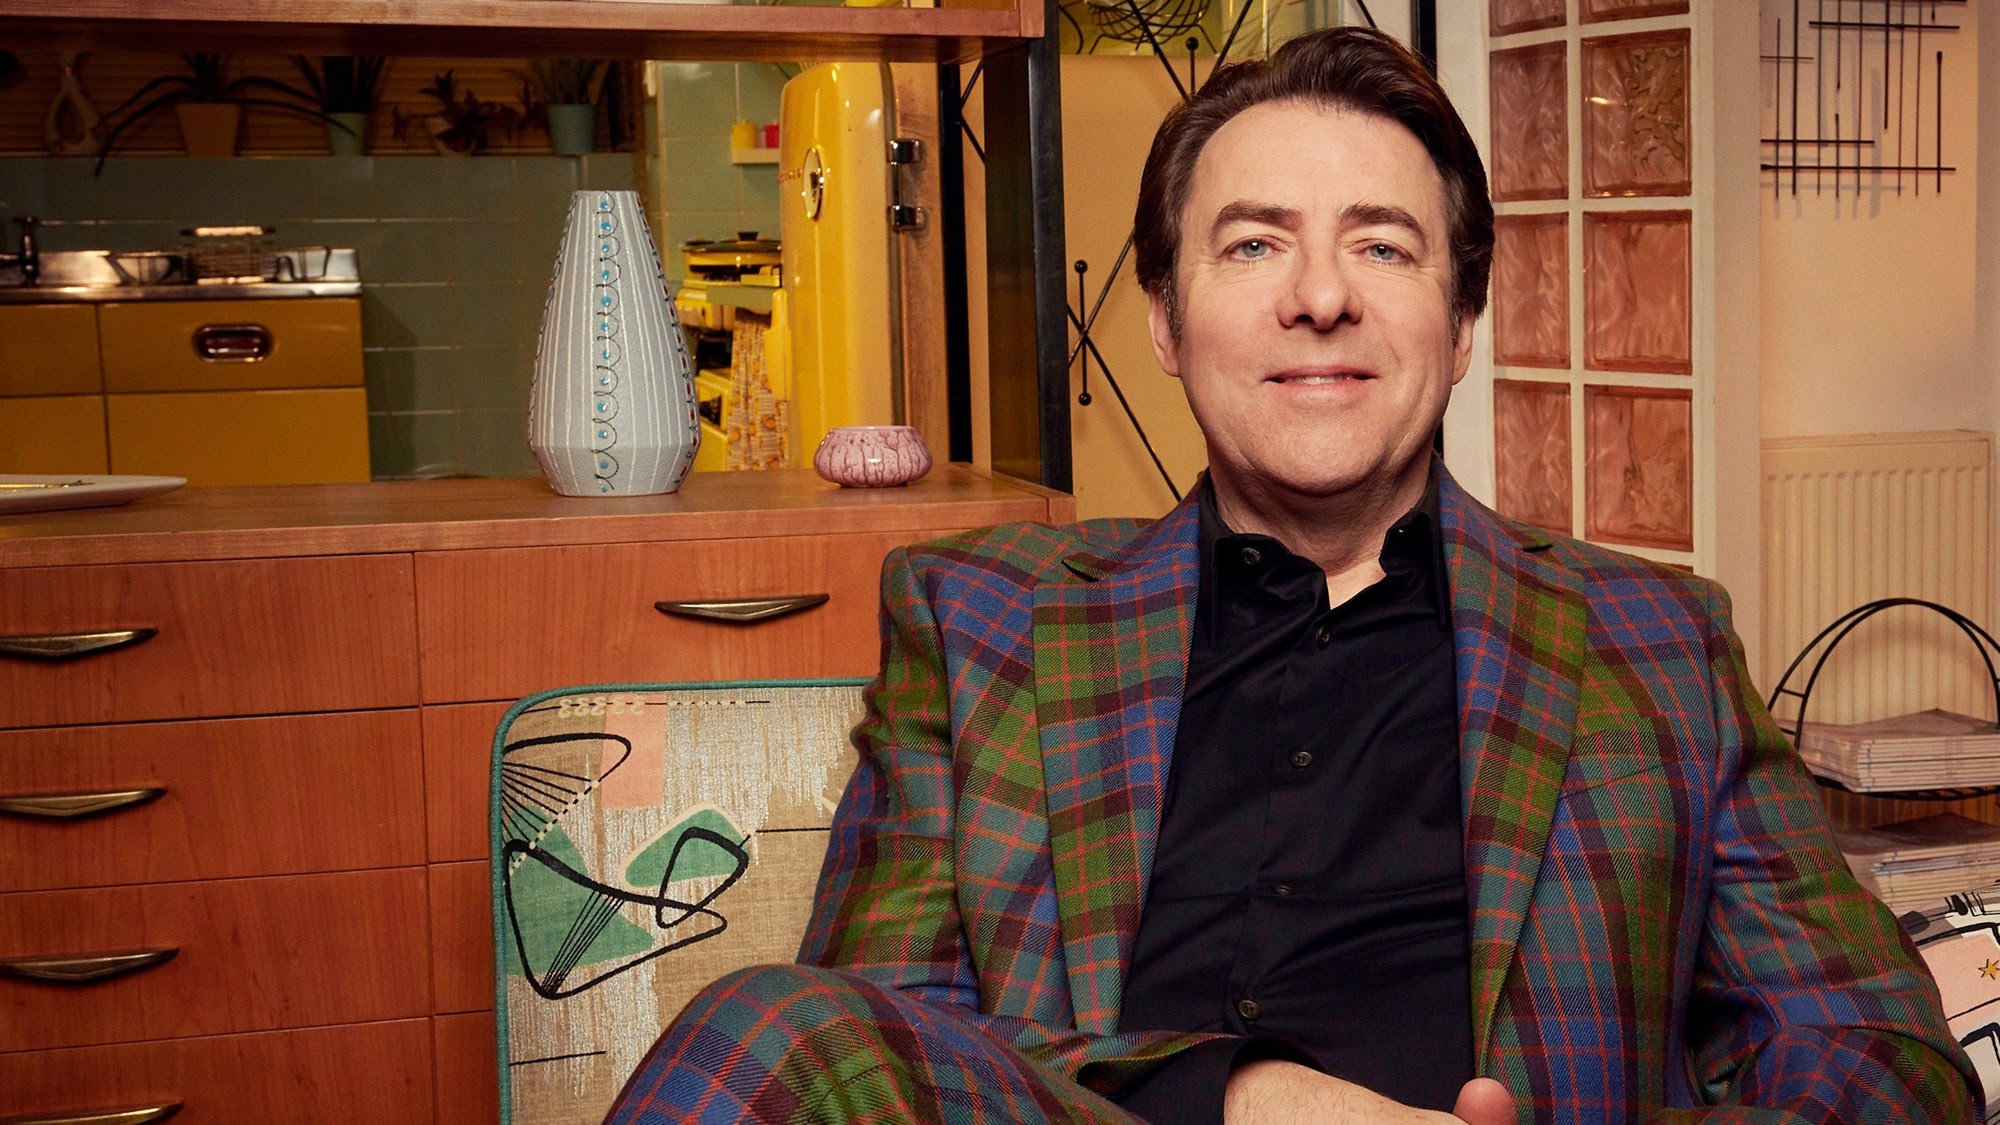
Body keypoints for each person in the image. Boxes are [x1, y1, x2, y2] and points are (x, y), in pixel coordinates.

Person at [606, 25, 1979, 1125]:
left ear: (1461, 322)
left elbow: (1885, 1054)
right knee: (768, 1025)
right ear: (1163, 317)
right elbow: (878, 1052)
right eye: (1254, 243)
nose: (1320, 296)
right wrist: (1236, 1094)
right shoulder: (980, 620)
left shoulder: (1656, 638)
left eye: (1382, 246)